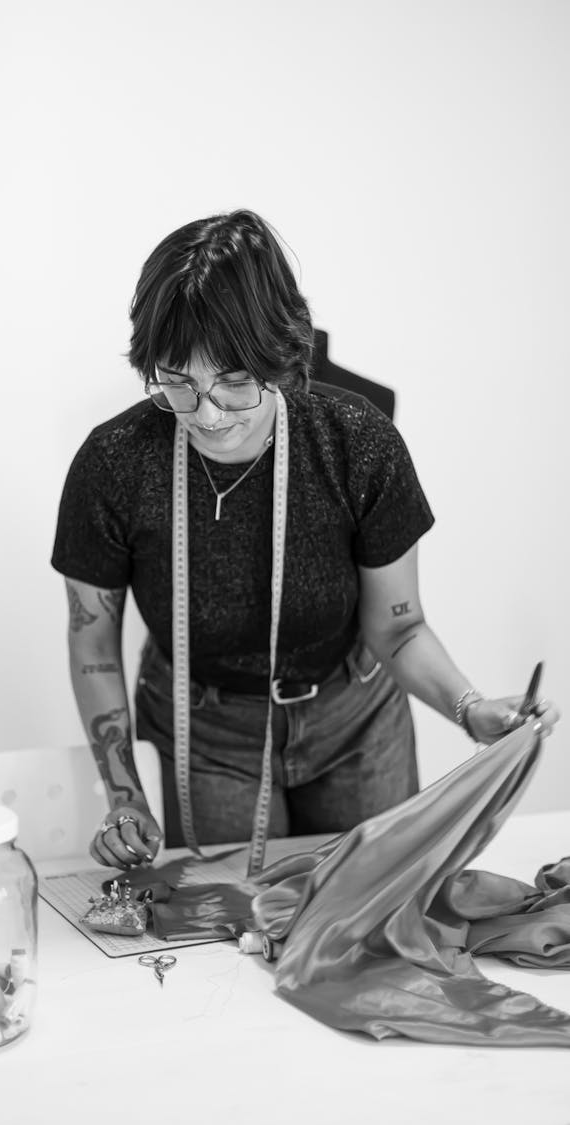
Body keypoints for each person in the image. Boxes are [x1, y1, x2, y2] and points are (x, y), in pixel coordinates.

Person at [51, 208, 560, 871]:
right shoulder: (115, 463)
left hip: (355, 723)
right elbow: (92, 642)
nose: (206, 414)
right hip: (202, 733)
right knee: (228, 940)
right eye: (178, 380)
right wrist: (124, 794)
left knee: (369, 920)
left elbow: (400, 630)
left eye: (234, 380)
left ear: (282, 357)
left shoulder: (357, 443)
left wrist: (471, 710)